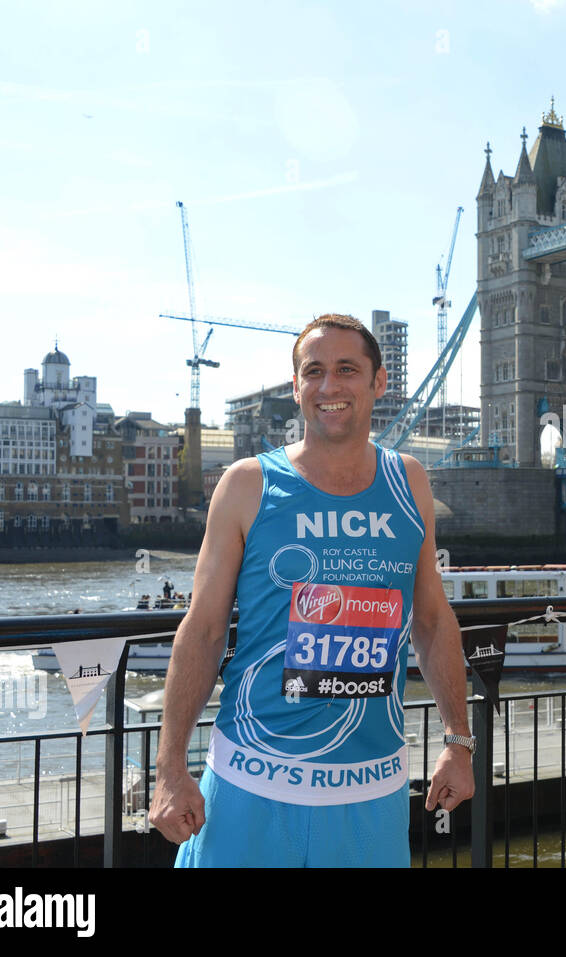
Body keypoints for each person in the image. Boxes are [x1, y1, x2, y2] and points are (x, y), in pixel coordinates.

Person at [149, 314, 474, 867]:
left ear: (378, 382)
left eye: (347, 369)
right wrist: (170, 769)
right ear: (297, 386)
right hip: (250, 782)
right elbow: (202, 631)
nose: (329, 387)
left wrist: (459, 741)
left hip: (370, 790)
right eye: (314, 371)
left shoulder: (410, 480)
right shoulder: (248, 483)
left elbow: (433, 621)